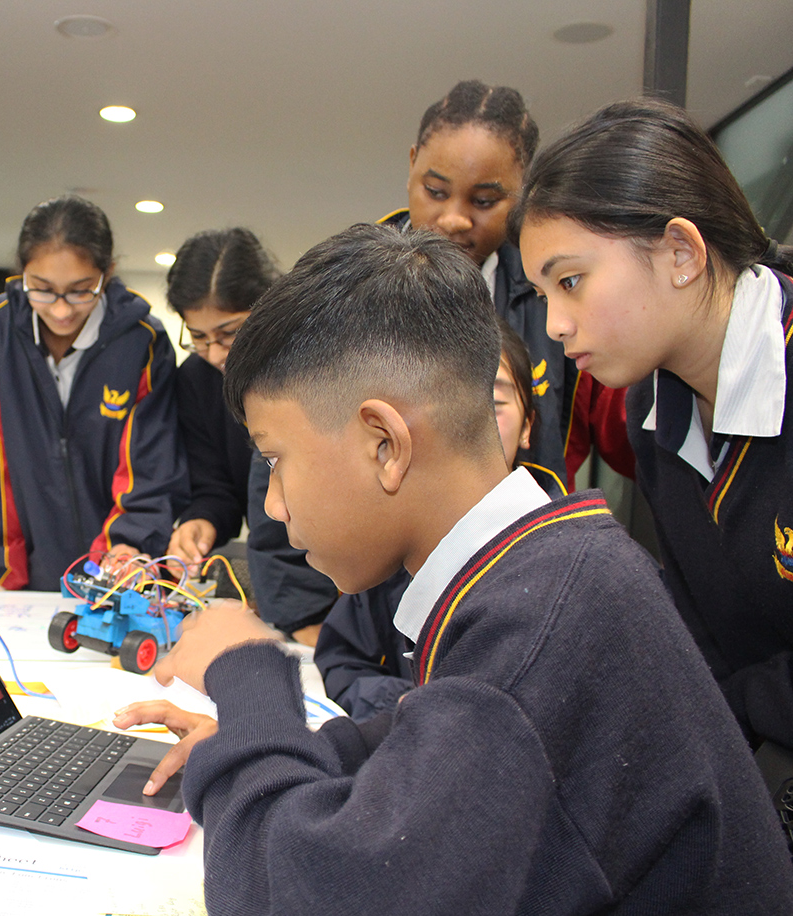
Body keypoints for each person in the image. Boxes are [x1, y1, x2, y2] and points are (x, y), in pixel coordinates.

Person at [114, 225, 793, 914]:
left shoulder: (535, 636)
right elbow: (418, 747)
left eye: (276, 459)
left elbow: (301, 896)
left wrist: (250, 678)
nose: (274, 505)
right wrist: (262, 748)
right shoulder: (558, 567)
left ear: (385, 444)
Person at [246, 79, 632, 644]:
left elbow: (620, 437)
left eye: (484, 200)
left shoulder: (554, 298)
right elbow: (282, 455)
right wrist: (305, 621)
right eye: (435, 189)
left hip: (521, 586)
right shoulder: (349, 286)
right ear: (411, 166)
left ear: (523, 191)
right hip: (370, 606)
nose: (453, 219)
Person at [515, 98, 793, 754]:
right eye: (544, 295)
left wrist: (730, 707)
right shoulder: (650, 415)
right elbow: (705, 636)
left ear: (679, 252)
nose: (555, 325)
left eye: (572, 281)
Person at [314, 318, 565, 721]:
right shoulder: (397, 536)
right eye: (454, 404)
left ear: (528, 427)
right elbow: (343, 661)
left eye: (495, 405)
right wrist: (401, 704)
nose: (472, 423)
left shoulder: (573, 555)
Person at [0, 195, 187, 592]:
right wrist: (4, 569)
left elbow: (151, 463)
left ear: (108, 273)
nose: (61, 311)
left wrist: (123, 549)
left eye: (81, 290)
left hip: (120, 567)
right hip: (28, 567)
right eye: (42, 290)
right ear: (22, 275)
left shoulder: (142, 341)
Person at [163, 228, 278, 571]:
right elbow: (215, 486)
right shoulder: (197, 379)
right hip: (273, 570)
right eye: (198, 337)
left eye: (229, 333)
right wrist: (203, 520)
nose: (214, 354)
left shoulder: (305, 366)